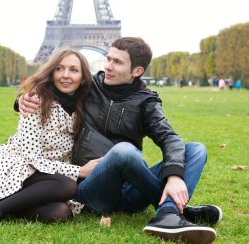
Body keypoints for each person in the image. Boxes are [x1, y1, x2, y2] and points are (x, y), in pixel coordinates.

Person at [17, 37, 222, 243]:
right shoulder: (90, 86)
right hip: (91, 188)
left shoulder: (146, 102)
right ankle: (173, 210)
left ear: (137, 71)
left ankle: (168, 211)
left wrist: (175, 176)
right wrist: (22, 100)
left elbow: (169, 137)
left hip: (132, 191)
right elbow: (56, 88)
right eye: (108, 59)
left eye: (118, 62)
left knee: (196, 149)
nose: (108, 66)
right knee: (124, 151)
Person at [0, 48, 94, 230]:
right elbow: (32, 157)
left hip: (48, 178)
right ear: (51, 72)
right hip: (18, 167)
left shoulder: (84, 104)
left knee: (61, 212)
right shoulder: (36, 100)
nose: (65, 75)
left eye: (74, 70)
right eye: (59, 69)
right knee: (67, 185)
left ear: (83, 77)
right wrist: (79, 171)